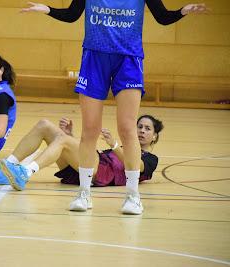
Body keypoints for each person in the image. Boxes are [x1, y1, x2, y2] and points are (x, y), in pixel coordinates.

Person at [15, 1, 208, 214]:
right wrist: (48, 10)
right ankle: (84, 193)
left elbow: (162, 17)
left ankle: (133, 196)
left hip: (128, 58)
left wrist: (183, 11)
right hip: (94, 57)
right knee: (90, 129)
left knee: (127, 128)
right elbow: (72, 14)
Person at [0, 115, 163, 198]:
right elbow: (89, 156)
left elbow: (136, 167)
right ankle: (6, 167)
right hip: (87, 169)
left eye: (147, 129)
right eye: (139, 126)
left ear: (154, 136)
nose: (141, 131)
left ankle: (25, 173)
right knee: (45, 125)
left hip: (102, 175)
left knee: (64, 140)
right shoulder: (122, 147)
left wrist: (114, 144)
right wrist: (70, 135)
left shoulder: (150, 159)